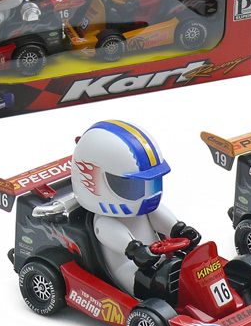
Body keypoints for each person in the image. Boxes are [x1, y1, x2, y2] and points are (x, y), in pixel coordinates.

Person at [71, 120, 200, 297]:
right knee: (165, 281)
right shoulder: (104, 222)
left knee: (193, 265)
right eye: (134, 186)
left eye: (151, 183)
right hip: (128, 270)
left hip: (158, 260)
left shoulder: (142, 209)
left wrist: (179, 229)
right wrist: (135, 250)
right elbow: (117, 237)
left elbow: (158, 216)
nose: (148, 193)